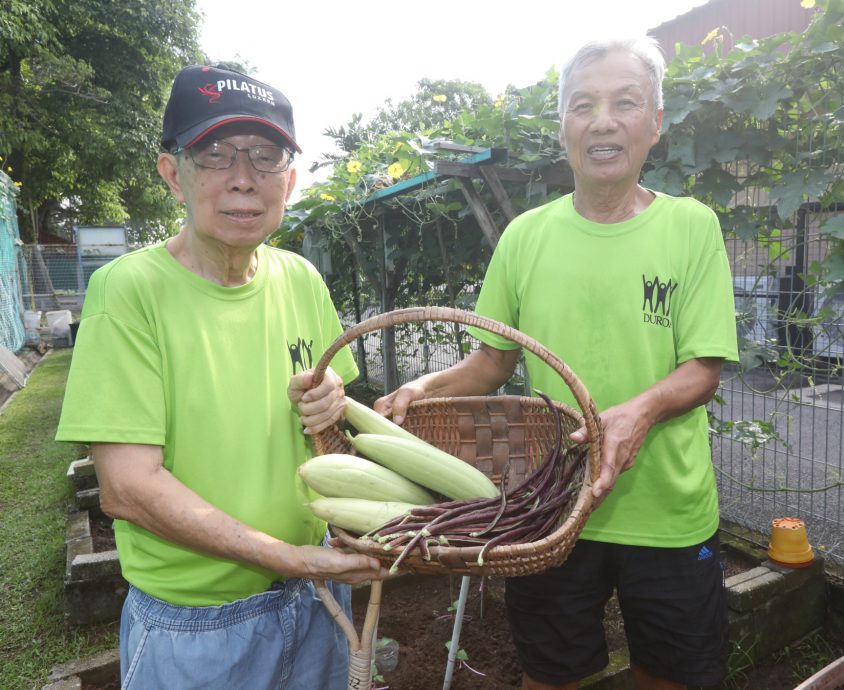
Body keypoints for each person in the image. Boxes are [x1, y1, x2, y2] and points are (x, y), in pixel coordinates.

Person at [376, 37, 738, 690]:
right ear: (563, 129)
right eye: (582, 105)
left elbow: (702, 369)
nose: (602, 120)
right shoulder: (525, 237)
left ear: (654, 123)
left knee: (675, 675)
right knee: (550, 674)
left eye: (624, 102)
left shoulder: (690, 227)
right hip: (546, 506)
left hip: (668, 513)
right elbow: (490, 363)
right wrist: (424, 388)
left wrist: (640, 410)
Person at [56, 65, 384, 689]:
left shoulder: (302, 280)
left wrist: (332, 403)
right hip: (196, 632)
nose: (242, 179)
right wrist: (288, 556)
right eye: (215, 155)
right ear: (172, 173)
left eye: (265, 158)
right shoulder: (128, 292)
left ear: (289, 181)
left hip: (316, 604)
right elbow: (127, 488)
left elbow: (333, 431)